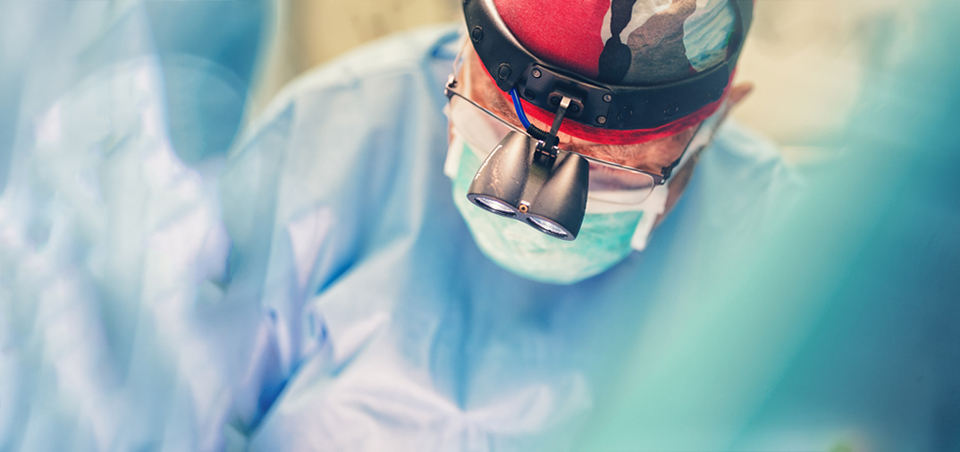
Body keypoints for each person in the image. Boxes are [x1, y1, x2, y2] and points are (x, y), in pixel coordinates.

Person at [0, 0, 800, 451]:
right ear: (461, 59)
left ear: (716, 125)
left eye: (614, 169)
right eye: (494, 124)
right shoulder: (342, 133)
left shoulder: (783, 245)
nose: (531, 196)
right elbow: (171, 398)